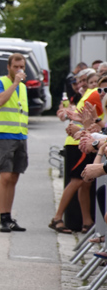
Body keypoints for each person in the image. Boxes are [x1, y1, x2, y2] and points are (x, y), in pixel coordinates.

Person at [50, 68, 103, 233]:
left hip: (82, 139)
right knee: (78, 181)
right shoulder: (95, 94)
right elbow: (97, 121)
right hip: (79, 142)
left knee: (85, 183)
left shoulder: (89, 94)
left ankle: (87, 222)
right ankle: (57, 217)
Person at [0, 53, 29, 232]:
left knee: (14, 177)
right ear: (9, 67)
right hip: (5, 135)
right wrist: (15, 83)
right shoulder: (1, 82)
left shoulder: (24, 87)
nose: (19, 70)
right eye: (16, 67)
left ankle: (8, 217)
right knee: (5, 176)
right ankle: (2, 218)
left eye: (22, 67)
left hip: (20, 135)